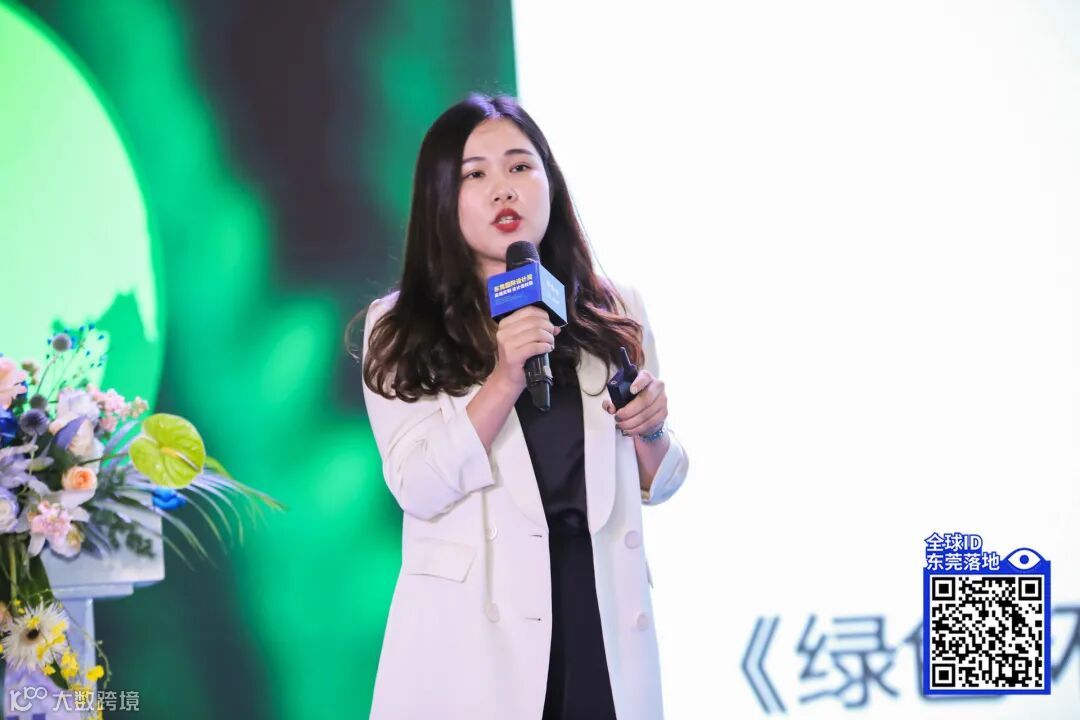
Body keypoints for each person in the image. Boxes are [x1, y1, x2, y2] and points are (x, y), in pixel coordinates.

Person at [348, 93, 689, 720]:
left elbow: (658, 481)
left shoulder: (612, 308)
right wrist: (504, 377)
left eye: (520, 166)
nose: (503, 188)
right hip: (476, 638)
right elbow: (418, 485)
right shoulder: (399, 325)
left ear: (549, 182)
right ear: (441, 197)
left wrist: (651, 429)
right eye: (475, 174)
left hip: (600, 616)